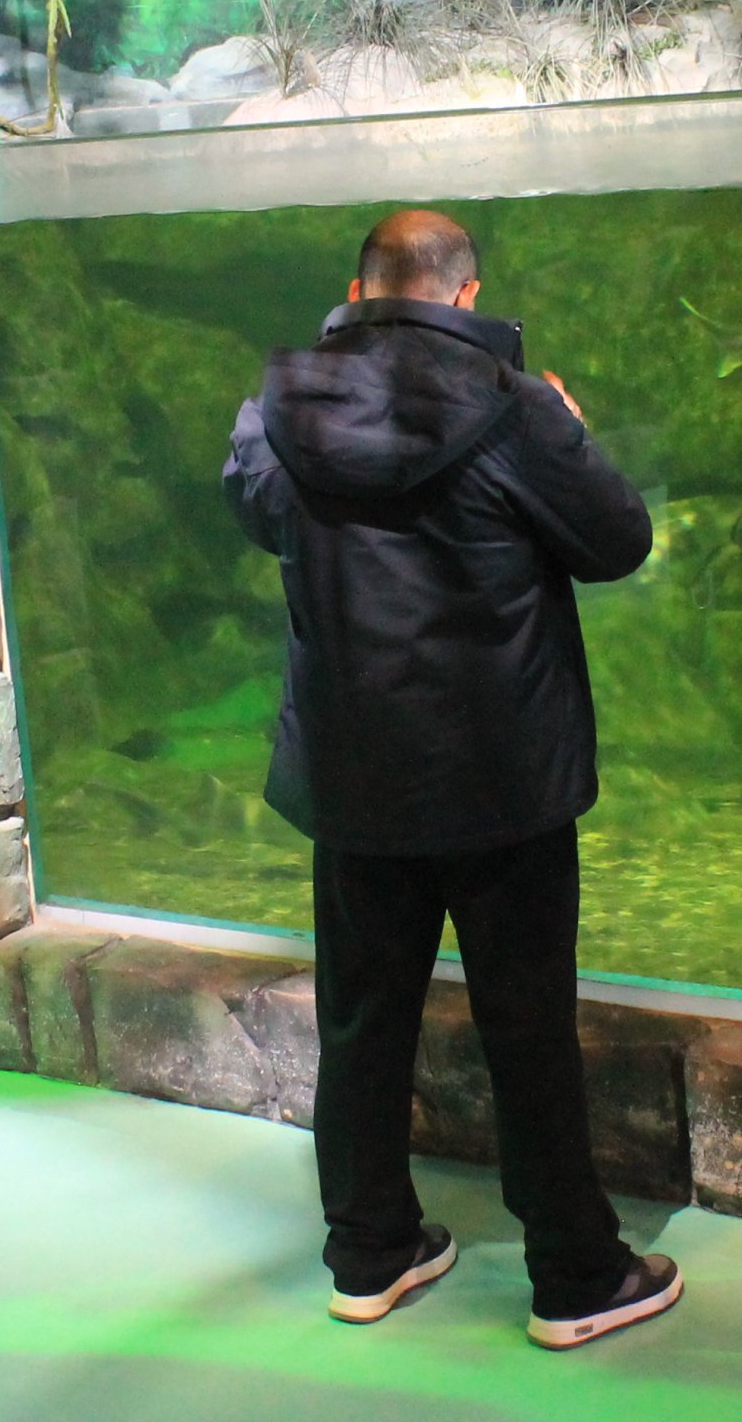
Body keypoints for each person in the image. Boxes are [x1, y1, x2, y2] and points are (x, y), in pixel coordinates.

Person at [223, 207, 680, 1350]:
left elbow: (259, 514)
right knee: (526, 1025)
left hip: (355, 778)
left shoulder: (278, 405)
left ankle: (370, 1252)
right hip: (501, 777)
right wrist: (570, 432)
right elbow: (618, 542)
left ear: (359, 286)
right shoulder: (517, 408)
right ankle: (575, 1274)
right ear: (466, 297)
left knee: (363, 1020)